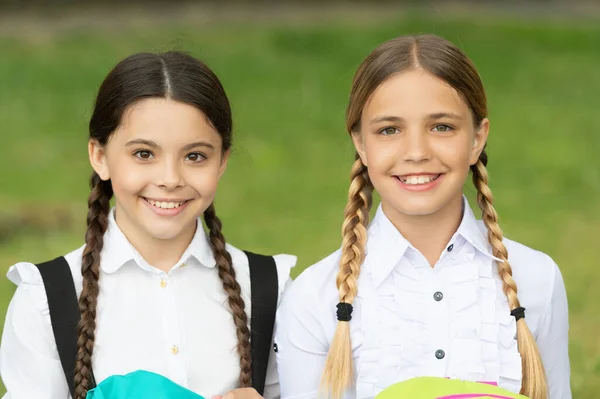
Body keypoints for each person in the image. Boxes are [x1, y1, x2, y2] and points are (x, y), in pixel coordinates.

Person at [275, 34, 570, 399]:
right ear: (361, 144)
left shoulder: (538, 279)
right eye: (389, 130)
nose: (416, 152)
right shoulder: (314, 298)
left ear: (477, 138)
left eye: (441, 126)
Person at [0, 51, 295, 399]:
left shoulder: (269, 289)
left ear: (222, 161)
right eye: (144, 154)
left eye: (195, 156)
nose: (170, 179)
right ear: (100, 156)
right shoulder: (46, 298)